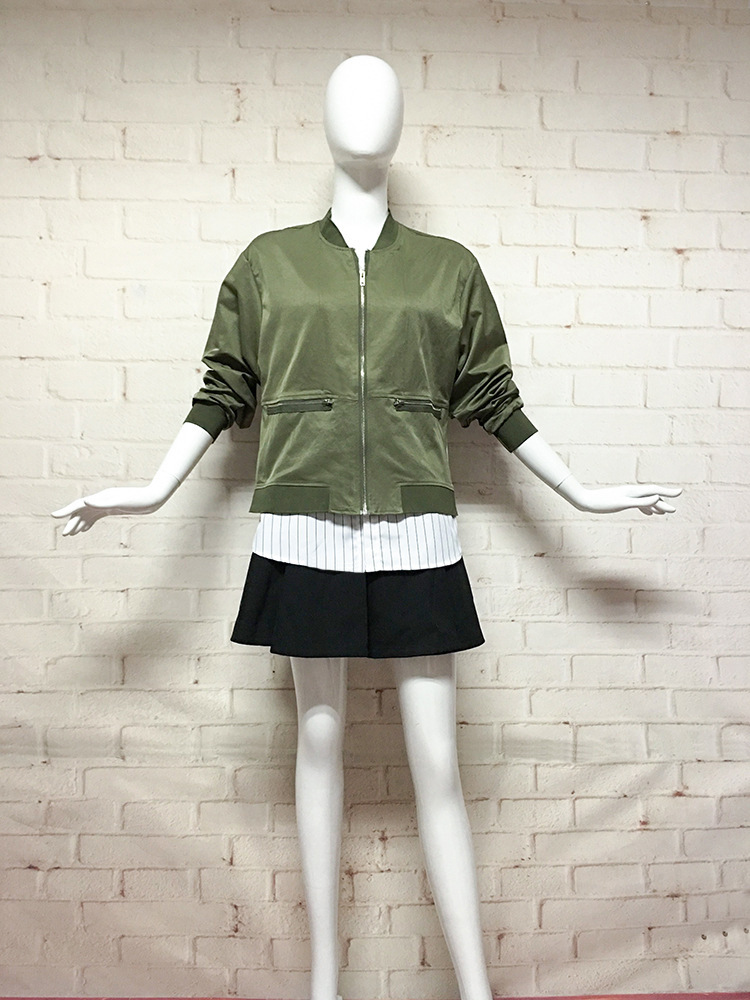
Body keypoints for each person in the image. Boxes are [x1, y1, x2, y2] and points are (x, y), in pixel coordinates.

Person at [53, 55, 681, 1000]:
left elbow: (492, 396)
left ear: (401, 121)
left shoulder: (448, 269)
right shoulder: (268, 263)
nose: (365, 112)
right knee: (318, 745)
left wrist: (583, 494)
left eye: (382, 95)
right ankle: (324, 985)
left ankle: (475, 990)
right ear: (322, 119)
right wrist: (150, 490)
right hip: (300, 530)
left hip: (418, 533)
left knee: (439, 764)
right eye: (348, 95)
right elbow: (224, 387)